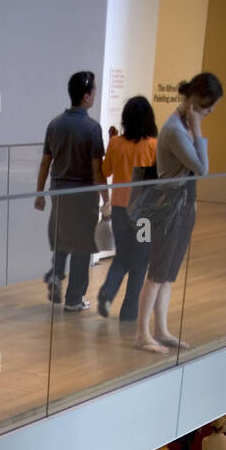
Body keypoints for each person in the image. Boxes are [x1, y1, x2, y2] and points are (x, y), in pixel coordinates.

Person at [135, 72, 223, 353]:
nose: (210, 111)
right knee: (158, 272)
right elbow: (202, 168)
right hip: (169, 205)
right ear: (196, 101)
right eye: (208, 106)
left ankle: (160, 329)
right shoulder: (174, 129)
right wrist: (198, 130)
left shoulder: (179, 126)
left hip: (183, 204)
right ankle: (143, 333)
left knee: (169, 273)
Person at [35, 71, 106, 312]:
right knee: (82, 246)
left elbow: (45, 162)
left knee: (62, 237)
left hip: (59, 191)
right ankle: (74, 298)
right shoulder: (93, 128)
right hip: (84, 195)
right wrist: (106, 198)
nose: (95, 94)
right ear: (86, 96)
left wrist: (39, 193)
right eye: (94, 90)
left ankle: (55, 274)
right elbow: (97, 170)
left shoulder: (55, 124)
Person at [97, 95, 157, 323]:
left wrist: (112, 141)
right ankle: (129, 313)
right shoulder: (154, 145)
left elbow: (106, 170)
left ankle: (107, 292)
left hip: (121, 209)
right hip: (144, 215)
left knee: (122, 256)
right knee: (140, 262)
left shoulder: (116, 143)